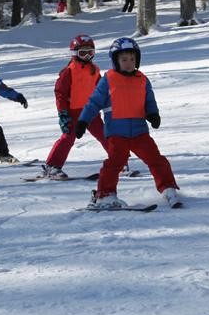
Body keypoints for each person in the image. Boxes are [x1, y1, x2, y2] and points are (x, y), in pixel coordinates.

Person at [75, 37, 181, 208]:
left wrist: (153, 114)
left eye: (132, 59)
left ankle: (168, 188)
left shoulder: (142, 79)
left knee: (157, 160)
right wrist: (83, 121)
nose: (129, 63)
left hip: (140, 131)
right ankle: (105, 194)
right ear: (116, 61)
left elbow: (149, 100)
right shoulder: (108, 79)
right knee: (114, 164)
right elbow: (94, 102)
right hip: (117, 132)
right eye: (124, 59)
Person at [39, 35, 110, 179]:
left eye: (90, 52)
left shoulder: (94, 70)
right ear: (74, 53)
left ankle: (119, 161)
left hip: (91, 111)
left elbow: (101, 90)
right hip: (73, 112)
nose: (87, 56)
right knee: (68, 138)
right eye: (83, 53)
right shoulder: (69, 71)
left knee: (105, 134)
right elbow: (60, 93)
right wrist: (63, 113)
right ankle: (52, 166)